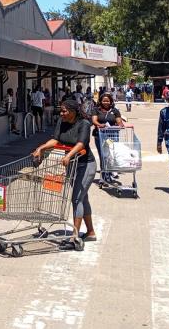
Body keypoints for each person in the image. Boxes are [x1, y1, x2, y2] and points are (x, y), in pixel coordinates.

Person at [33, 99, 97, 247]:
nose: (61, 113)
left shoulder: (84, 124)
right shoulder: (61, 122)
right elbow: (55, 140)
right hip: (71, 165)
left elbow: (81, 143)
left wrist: (68, 155)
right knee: (82, 198)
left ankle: (74, 237)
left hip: (85, 165)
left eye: (64, 111)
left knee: (76, 199)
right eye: (60, 111)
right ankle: (91, 232)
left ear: (73, 111)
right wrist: (41, 148)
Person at [91, 93, 125, 184]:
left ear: (111, 101)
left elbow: (119, 121)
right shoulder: (96, 110)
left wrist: (120, 124)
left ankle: (109, 173)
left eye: (108, 101)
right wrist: (99, 125)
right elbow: (94, 120)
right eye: (104, 100)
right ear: (101, 101)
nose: (106, 102)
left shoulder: (115, 111)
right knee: (103, 156)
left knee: (110, 154)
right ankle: (104, 175)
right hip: (100, 136)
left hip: (111, 137)